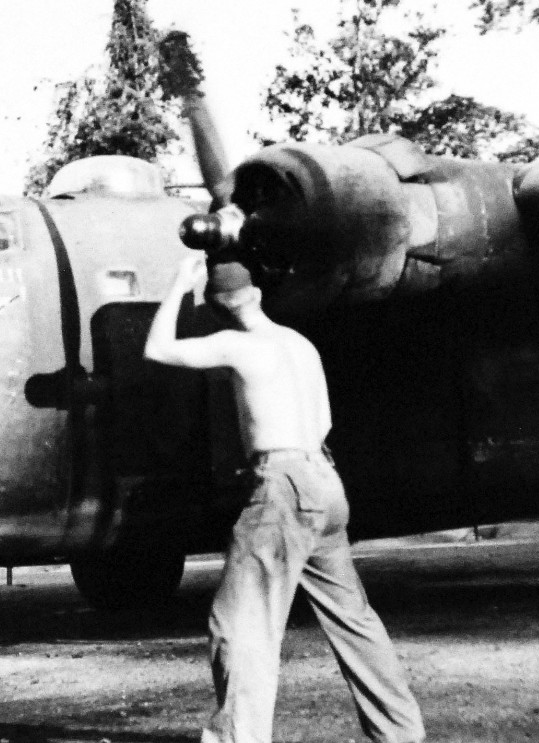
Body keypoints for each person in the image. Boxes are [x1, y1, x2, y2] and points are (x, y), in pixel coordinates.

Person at [144, 255, 425, 743]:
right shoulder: (300, 344)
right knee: (353, 620)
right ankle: (401, 733)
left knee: (238, 623)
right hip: (325, 480)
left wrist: (176, 285)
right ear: (256, 294)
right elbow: (323, 423)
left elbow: (158, 348)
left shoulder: (236, 343)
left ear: (218, 308)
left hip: (284, 487)